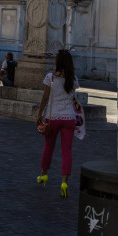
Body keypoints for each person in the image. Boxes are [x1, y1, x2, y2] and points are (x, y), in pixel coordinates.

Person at [36, 49, 79, 198]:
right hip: (69, 118)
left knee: (48, 147)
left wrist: (39, 113)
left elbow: (45, 98)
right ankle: (64, 182)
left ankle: (44, 174)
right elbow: (74, 98)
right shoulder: (73, 79)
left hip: (52, 117)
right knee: (67, 150)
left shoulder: (51, 78)